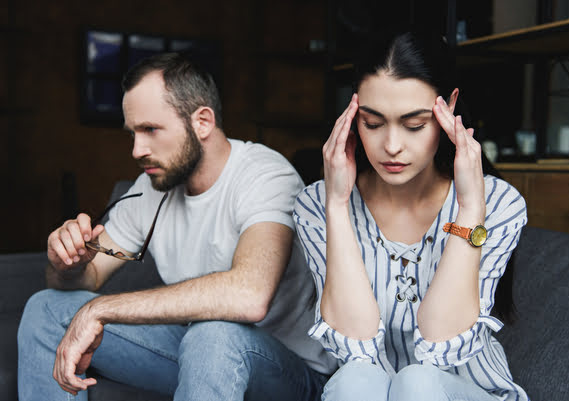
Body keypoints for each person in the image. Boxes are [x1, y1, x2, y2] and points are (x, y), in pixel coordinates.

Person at [18, 52, 337, 400]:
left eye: (151, 130)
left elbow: (250, 296)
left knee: (213, 333)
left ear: (202, 122)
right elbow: (89, 277)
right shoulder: (149, 188)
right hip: (200, 357)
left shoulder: (265, 175)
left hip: (290, 373)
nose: (137, 150)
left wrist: (100, 309)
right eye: (133, 133)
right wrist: (68, 263)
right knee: (46, 307)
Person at [293, 31, 529, 401]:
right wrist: (337, 207)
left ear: (448, 107)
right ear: (352, 115)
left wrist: (469, 210)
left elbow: (440, 344)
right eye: (372, 123)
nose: (391, 146)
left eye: (414, 125)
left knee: (416, 383)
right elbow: (354, 348)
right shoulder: (316, 206)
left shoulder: (497, 205)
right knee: (355, 380)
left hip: (465, 391)